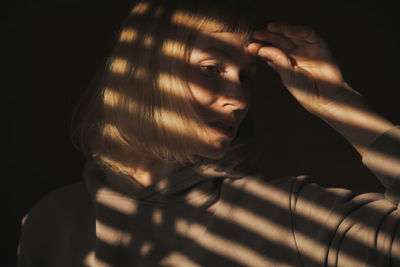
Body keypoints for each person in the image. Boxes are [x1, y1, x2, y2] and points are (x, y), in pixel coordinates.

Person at [18, 0, 399, 266]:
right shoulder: (51, 219)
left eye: (246, 77)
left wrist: (338, 103)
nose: (238, 99)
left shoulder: (289, 215)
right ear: (144, 73)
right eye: (212, 68)